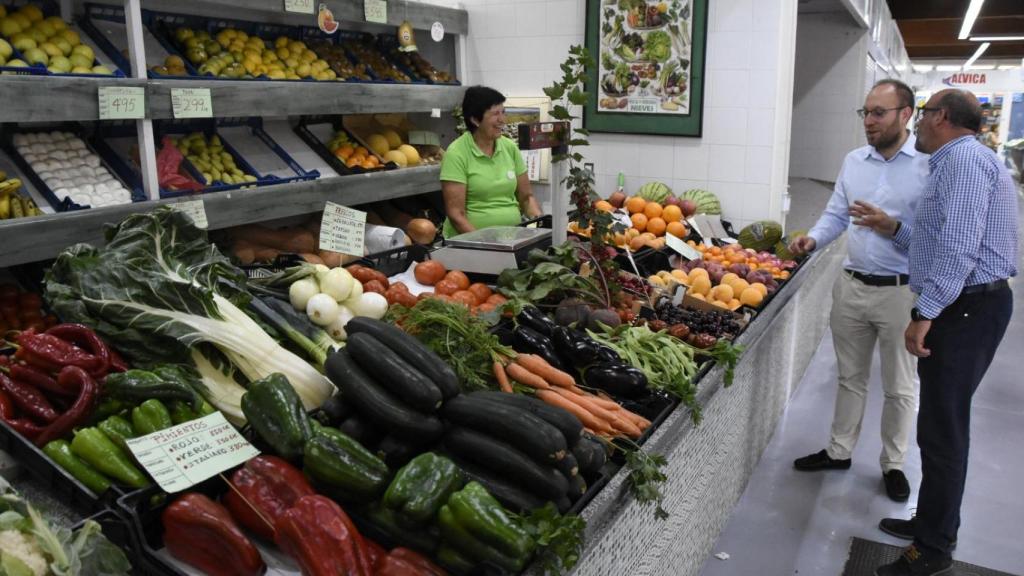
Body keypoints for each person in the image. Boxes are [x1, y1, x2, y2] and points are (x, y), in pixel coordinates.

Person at [854, 89, 1018, 576]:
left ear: (940, 117)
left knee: (944, 432)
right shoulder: (959, 161)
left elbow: (961, 250)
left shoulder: (963, 162)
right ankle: (930, 520)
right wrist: (893, 228)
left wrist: (925, 310)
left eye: (922, 115)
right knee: (938, 428)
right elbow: (939, 237)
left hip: (967, 307)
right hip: (967, 303)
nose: (916, 125)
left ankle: (933, 548)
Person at [789, 79, 928, 503]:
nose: (869, 121)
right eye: (865, 112)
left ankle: (893, 464)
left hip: (901, 293)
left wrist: (894, 229)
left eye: (878, 113)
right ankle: (839, 451)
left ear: (906, 115)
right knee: (850, 377)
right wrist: (813, 239)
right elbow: (836, 215)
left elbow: (937, 237)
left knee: (900, 386)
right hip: (852, 287)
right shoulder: (854, 161)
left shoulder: (928, 165)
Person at [440, 86, 541, 238]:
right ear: (475, 119)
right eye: (495, 114)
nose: (502, 120)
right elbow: (456, 215)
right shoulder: (457, 153)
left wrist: (538, 225)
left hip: (510, 239)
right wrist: (485, 244)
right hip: (471, 243)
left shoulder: (509, 147)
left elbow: (526, 198)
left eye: (503, 112)